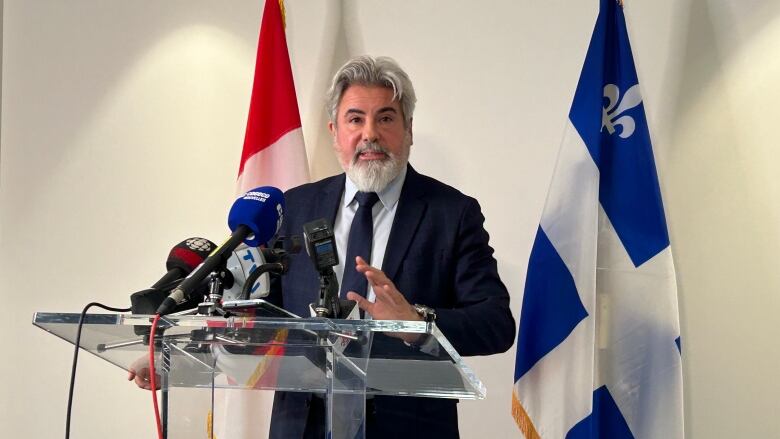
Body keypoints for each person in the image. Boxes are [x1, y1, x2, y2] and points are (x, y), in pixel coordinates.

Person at [267, 55, 515, 439]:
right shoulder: (296, 206)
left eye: (385, 118)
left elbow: (495, 324)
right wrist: (170, 345)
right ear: (335, 132)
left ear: (408, 129)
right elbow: (258, 308)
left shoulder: (452, 214)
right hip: (302, 426)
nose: (370, 134)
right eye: (355, 119)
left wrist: (417, 325)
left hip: (409, 427)